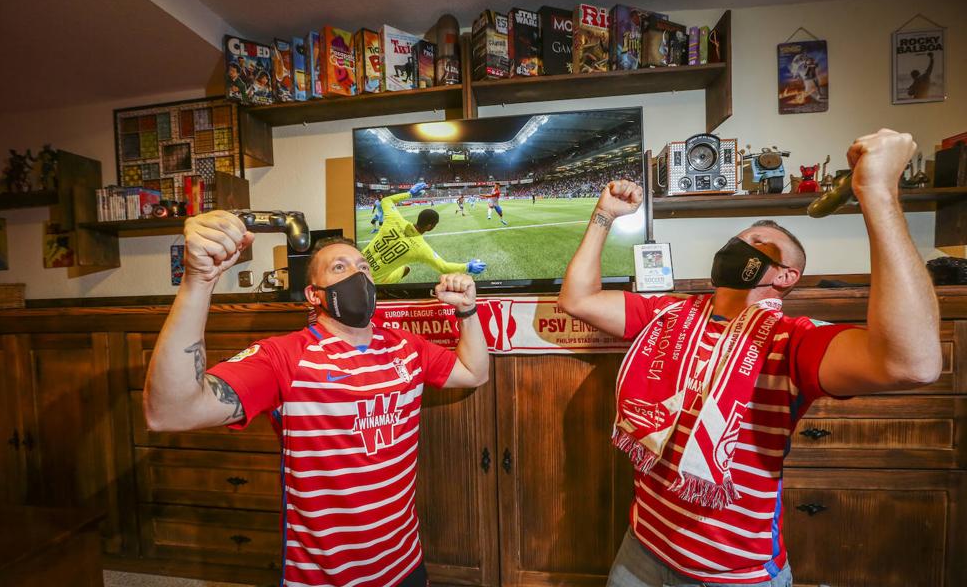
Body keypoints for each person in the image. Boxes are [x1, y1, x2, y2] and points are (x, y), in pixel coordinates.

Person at [558, 129, 941, 587]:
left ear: (786, 275)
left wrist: (878, 193)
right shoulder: (667, 311)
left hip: (734, 574)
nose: (740, 242)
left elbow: (912, 363)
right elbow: (578, 300)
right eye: (738, 237)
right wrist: (605, 215)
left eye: (758, 239)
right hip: (641, 549)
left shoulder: (790, 339)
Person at [144, 212, 490, 587]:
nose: (358, 276)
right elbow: (170, 412)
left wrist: (466, 311)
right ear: (314, 294)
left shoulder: (406, 347)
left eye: (364, 268)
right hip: (324, 578)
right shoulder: (286, 356)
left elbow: (474, 373)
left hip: (404, 564)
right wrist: (198, 281)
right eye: (339, 267)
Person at [363, 182, 486, 284]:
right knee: (406, 269)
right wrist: (468, 266)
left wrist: (409, 193)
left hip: (356, 265)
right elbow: (444, 267)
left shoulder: (394, 219)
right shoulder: (421, 248)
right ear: (430, 226)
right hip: (371, 281)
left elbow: (386, 201)